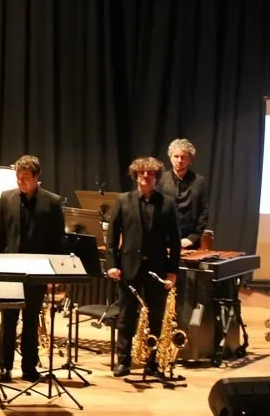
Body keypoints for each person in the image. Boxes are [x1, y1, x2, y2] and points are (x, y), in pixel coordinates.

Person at [0, 155, 66, 383]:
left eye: (25, 178)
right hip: (10, 270)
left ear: (37, 178)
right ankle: (5, 367)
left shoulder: (52, 202)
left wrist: (55, 273)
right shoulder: (6, 198)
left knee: (32, 320)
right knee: (9, 319)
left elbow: (57, 240)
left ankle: (29, 367)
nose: (20, 182)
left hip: (38, 271)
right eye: (18, 177)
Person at [105, 156, 180, 377]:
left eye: (150, 173)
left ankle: (152, 363)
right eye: (141, 173)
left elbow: (175, 241)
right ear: (135, 175)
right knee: (126, 316)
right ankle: (123, 361)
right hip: (129, 267)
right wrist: (112, 265)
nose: (146, 176)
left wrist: (173, 271)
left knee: (156, 316)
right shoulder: (123, 200)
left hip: (157, 268)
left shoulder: (167, 203)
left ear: (156, 177)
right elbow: (111, 237)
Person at [157, 138, 210, 249]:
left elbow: (204, 212)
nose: (179, 160)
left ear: (190, 160)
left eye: (183, 157)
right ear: (170, 158)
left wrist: (193, 237)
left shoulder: (199, 181)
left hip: (189, 241)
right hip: (164, 241)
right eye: (176, 156)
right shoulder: (160, 180)